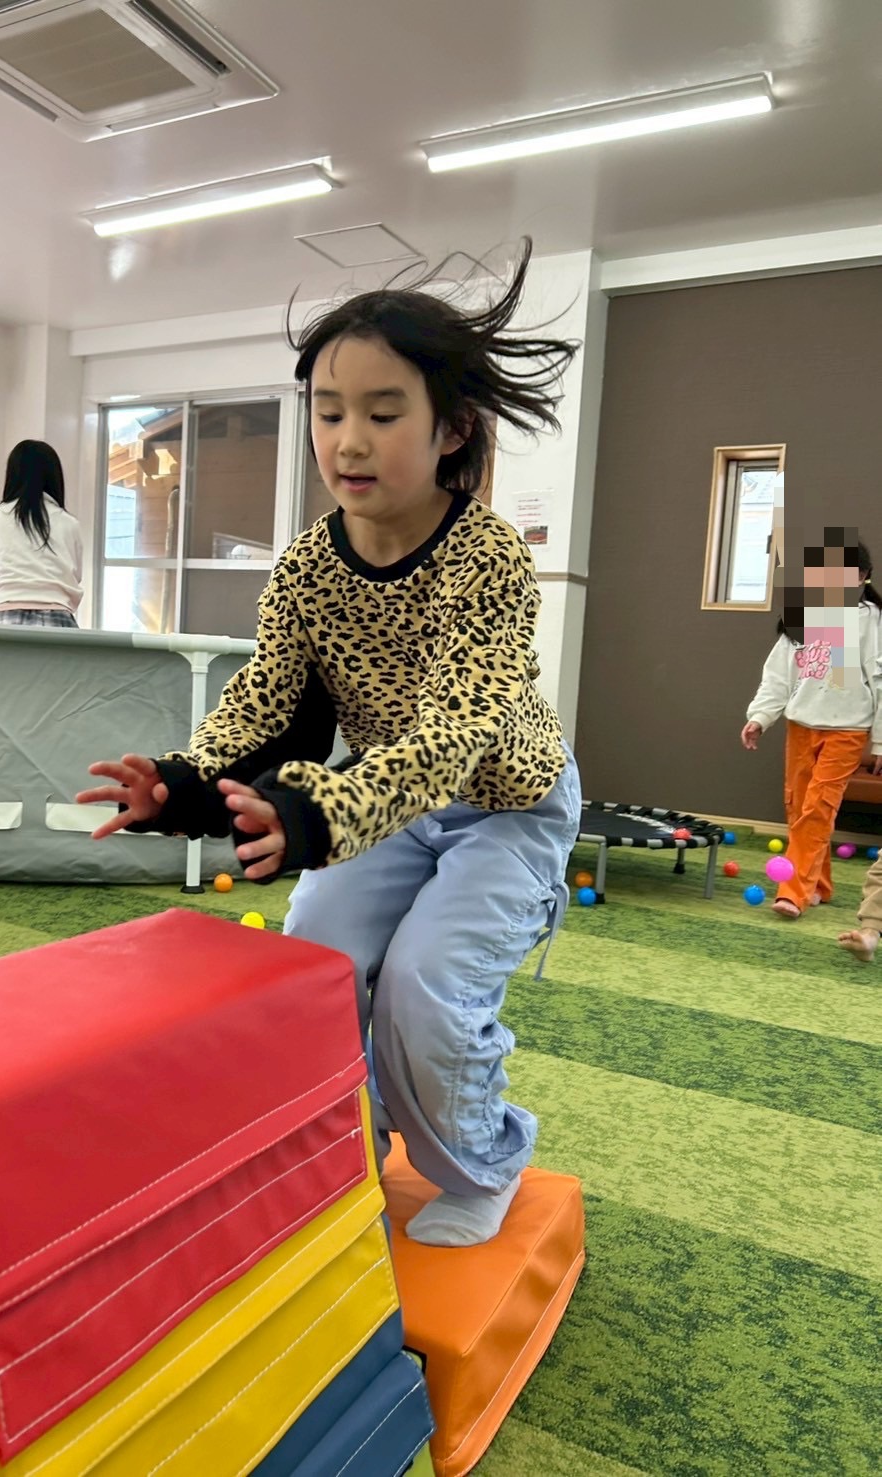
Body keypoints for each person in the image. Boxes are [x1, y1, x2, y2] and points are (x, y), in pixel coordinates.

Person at [77, 242, 582, 1248]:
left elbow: (454, 732)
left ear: (451, 429)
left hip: (503, 808)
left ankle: (481, 1161)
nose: (349, 440)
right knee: (314, 968)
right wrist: (185, 784)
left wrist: (322, 812)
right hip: (382, 808)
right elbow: (266, 702)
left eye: (383, 414)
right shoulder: (311, 563)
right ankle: (343, 1148)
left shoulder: (485, 557)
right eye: (328, 411)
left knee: (425, 987)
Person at [742, 536, 882, 919]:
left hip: (847, 731)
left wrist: (880, 742)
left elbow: (881, 680)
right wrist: (760, 716)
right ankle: (818, 883)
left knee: (818, 808)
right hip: (801, 726)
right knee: (799, 806)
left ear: (862, 577)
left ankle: (793, 892)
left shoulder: (872, 621)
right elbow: (778, 676)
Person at [0, 439, 83, 627]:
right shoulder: (69, 523)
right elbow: (74, 574)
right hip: (58, 616)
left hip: (6, 614)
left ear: (12, 475)